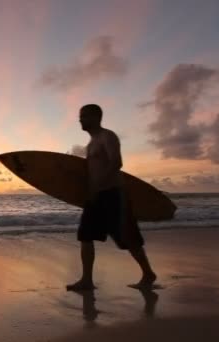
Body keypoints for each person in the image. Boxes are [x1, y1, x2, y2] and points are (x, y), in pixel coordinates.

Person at [66, 104, 157, 291]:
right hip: (95, 196)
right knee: (85, 235)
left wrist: (98, 187)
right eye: (80, 116)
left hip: (113, 194)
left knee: (128, 237)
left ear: (95, 116)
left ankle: (148, 273)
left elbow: (117, 162)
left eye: (83, 116)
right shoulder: (90, 144)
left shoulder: (108, 136)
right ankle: (87, 280)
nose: (80, 120)